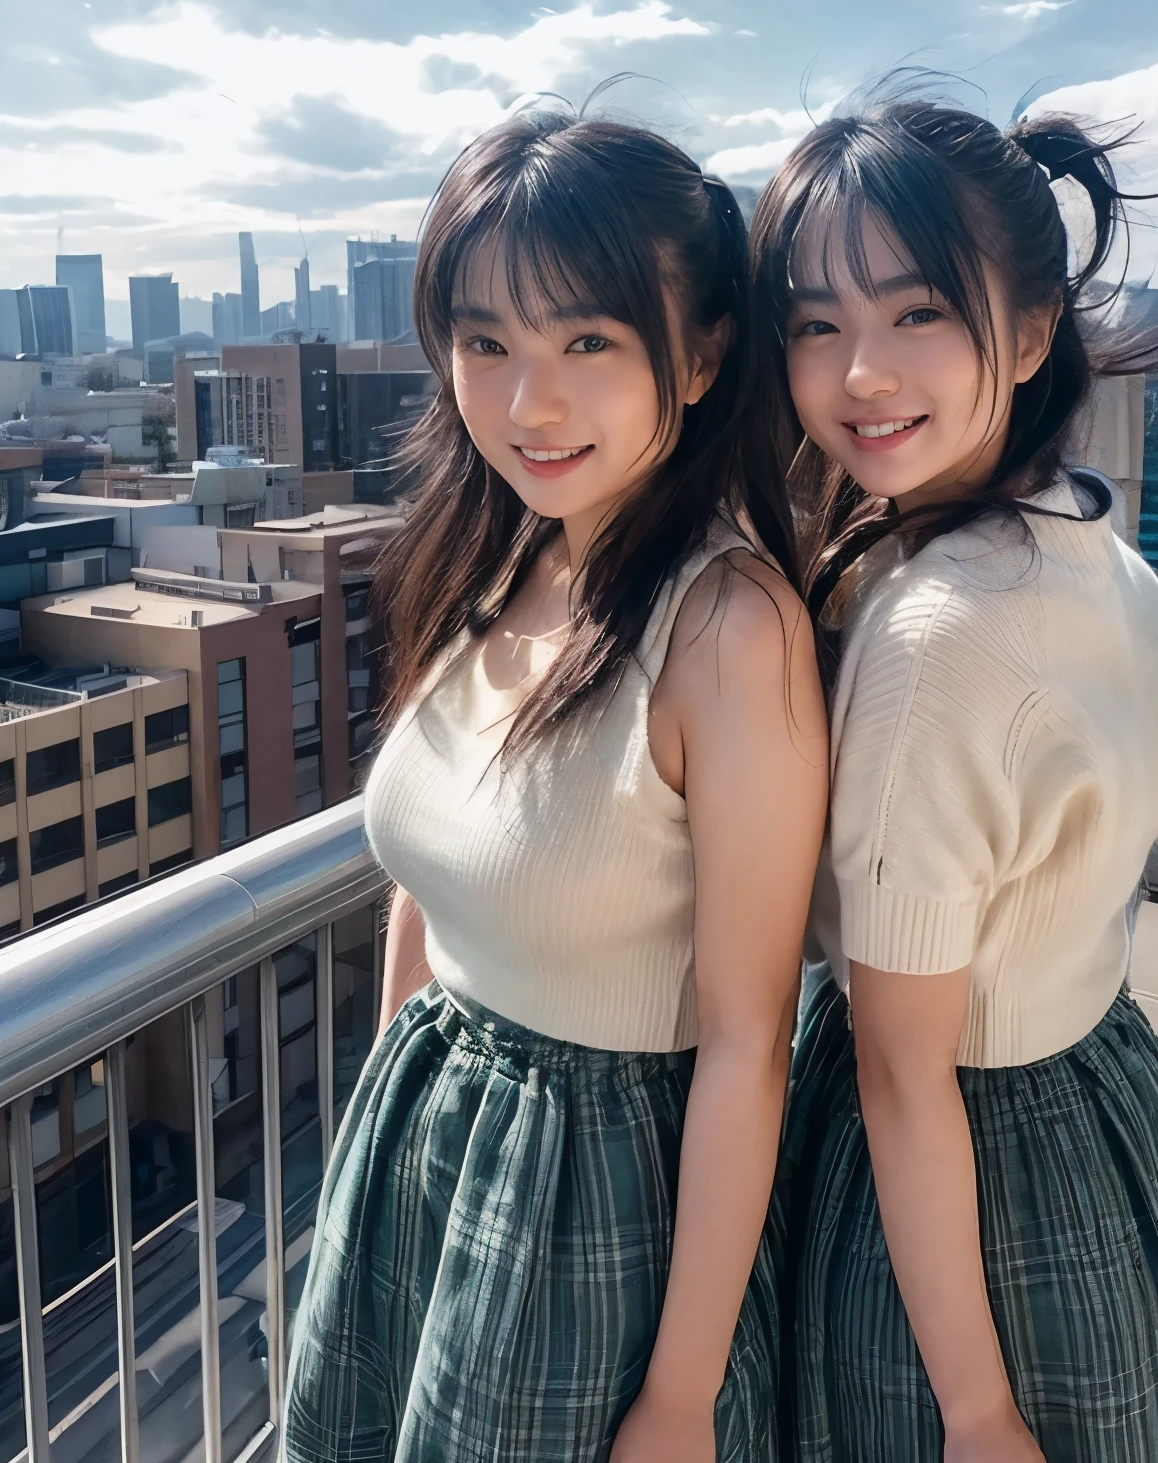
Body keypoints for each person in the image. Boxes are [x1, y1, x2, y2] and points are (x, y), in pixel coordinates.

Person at [285, 105, 827, 1463]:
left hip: (593, 1210)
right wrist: (381, 1136)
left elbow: (749, 1043)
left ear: (700, 355)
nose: (530, 401)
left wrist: (682, 1397)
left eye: (587, 340)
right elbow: (425, 885)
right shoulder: (498, 555)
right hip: (424, 1152)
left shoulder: (724, 629)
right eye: (486, 343)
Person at [750, 93, 1158, 1461]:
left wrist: (978, 1417)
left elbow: (904, 1075)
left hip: (957, 1185)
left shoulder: (936, 634)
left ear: (1032, 331)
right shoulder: (1081, 529)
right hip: (1099, 1097)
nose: (860, 370)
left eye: (917, 312)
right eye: (815, 322)